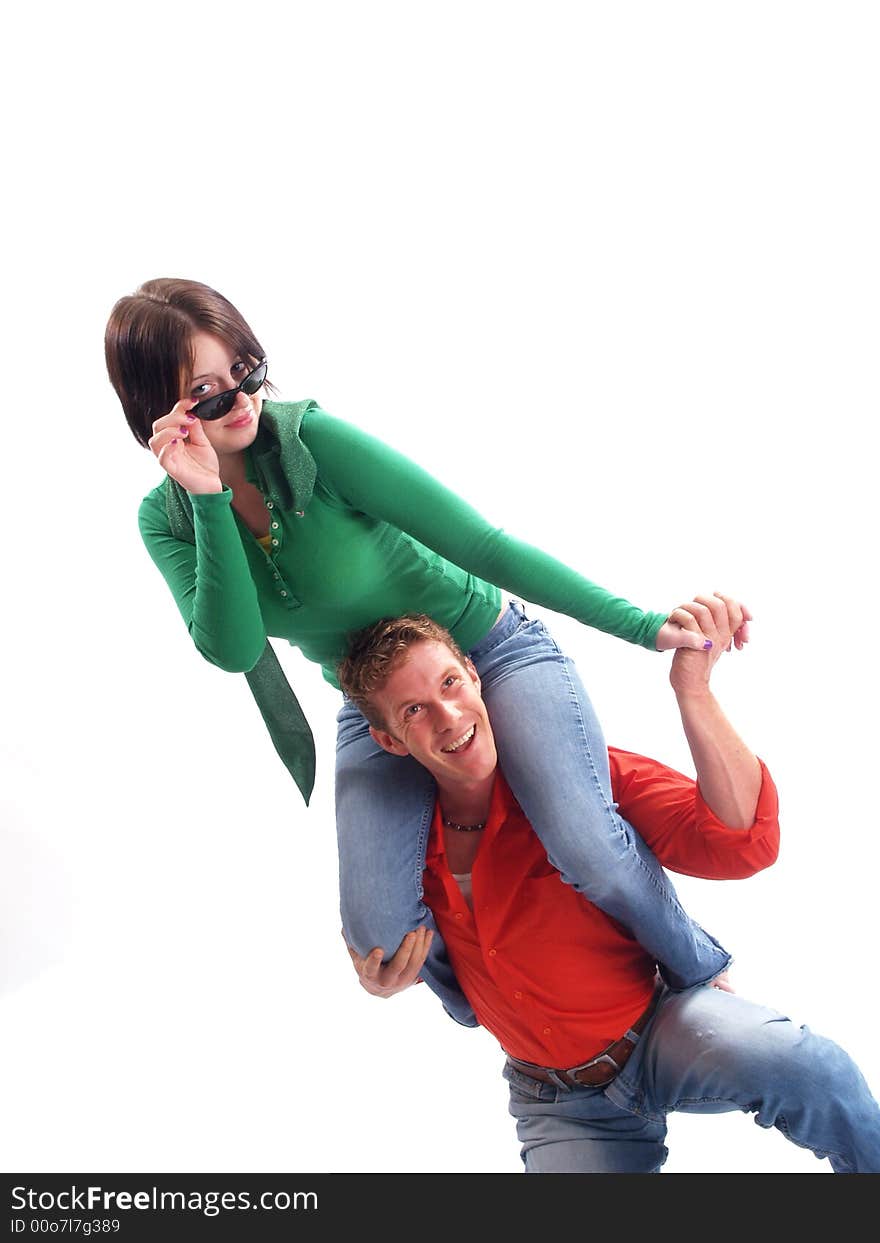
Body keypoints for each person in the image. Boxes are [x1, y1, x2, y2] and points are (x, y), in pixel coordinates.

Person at [105, 276, 746, 1019]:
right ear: (158, 411)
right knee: (379, 935)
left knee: (583, 841)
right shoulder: (167, 521)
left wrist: (639, 623)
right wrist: (209, 499)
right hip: (380, 703)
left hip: (486, 653)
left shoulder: (313, 441)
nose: (243, 399)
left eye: (246, 369)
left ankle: (697, 966)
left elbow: (481, 544)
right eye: (208, 393)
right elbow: (234, 645)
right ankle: (492, 1001)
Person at [338, 595, 880, 1173]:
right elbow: (405, 949)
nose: (449, 716)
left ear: (475, 676)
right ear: (391, 741)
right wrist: (385, 980)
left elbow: (741, 841)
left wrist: (693, 691)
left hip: (663, 1031)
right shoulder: (401, 857)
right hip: (556, 1100)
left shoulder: (578, 788)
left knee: (811, 1069)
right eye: (415, 710)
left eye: (450, 683)